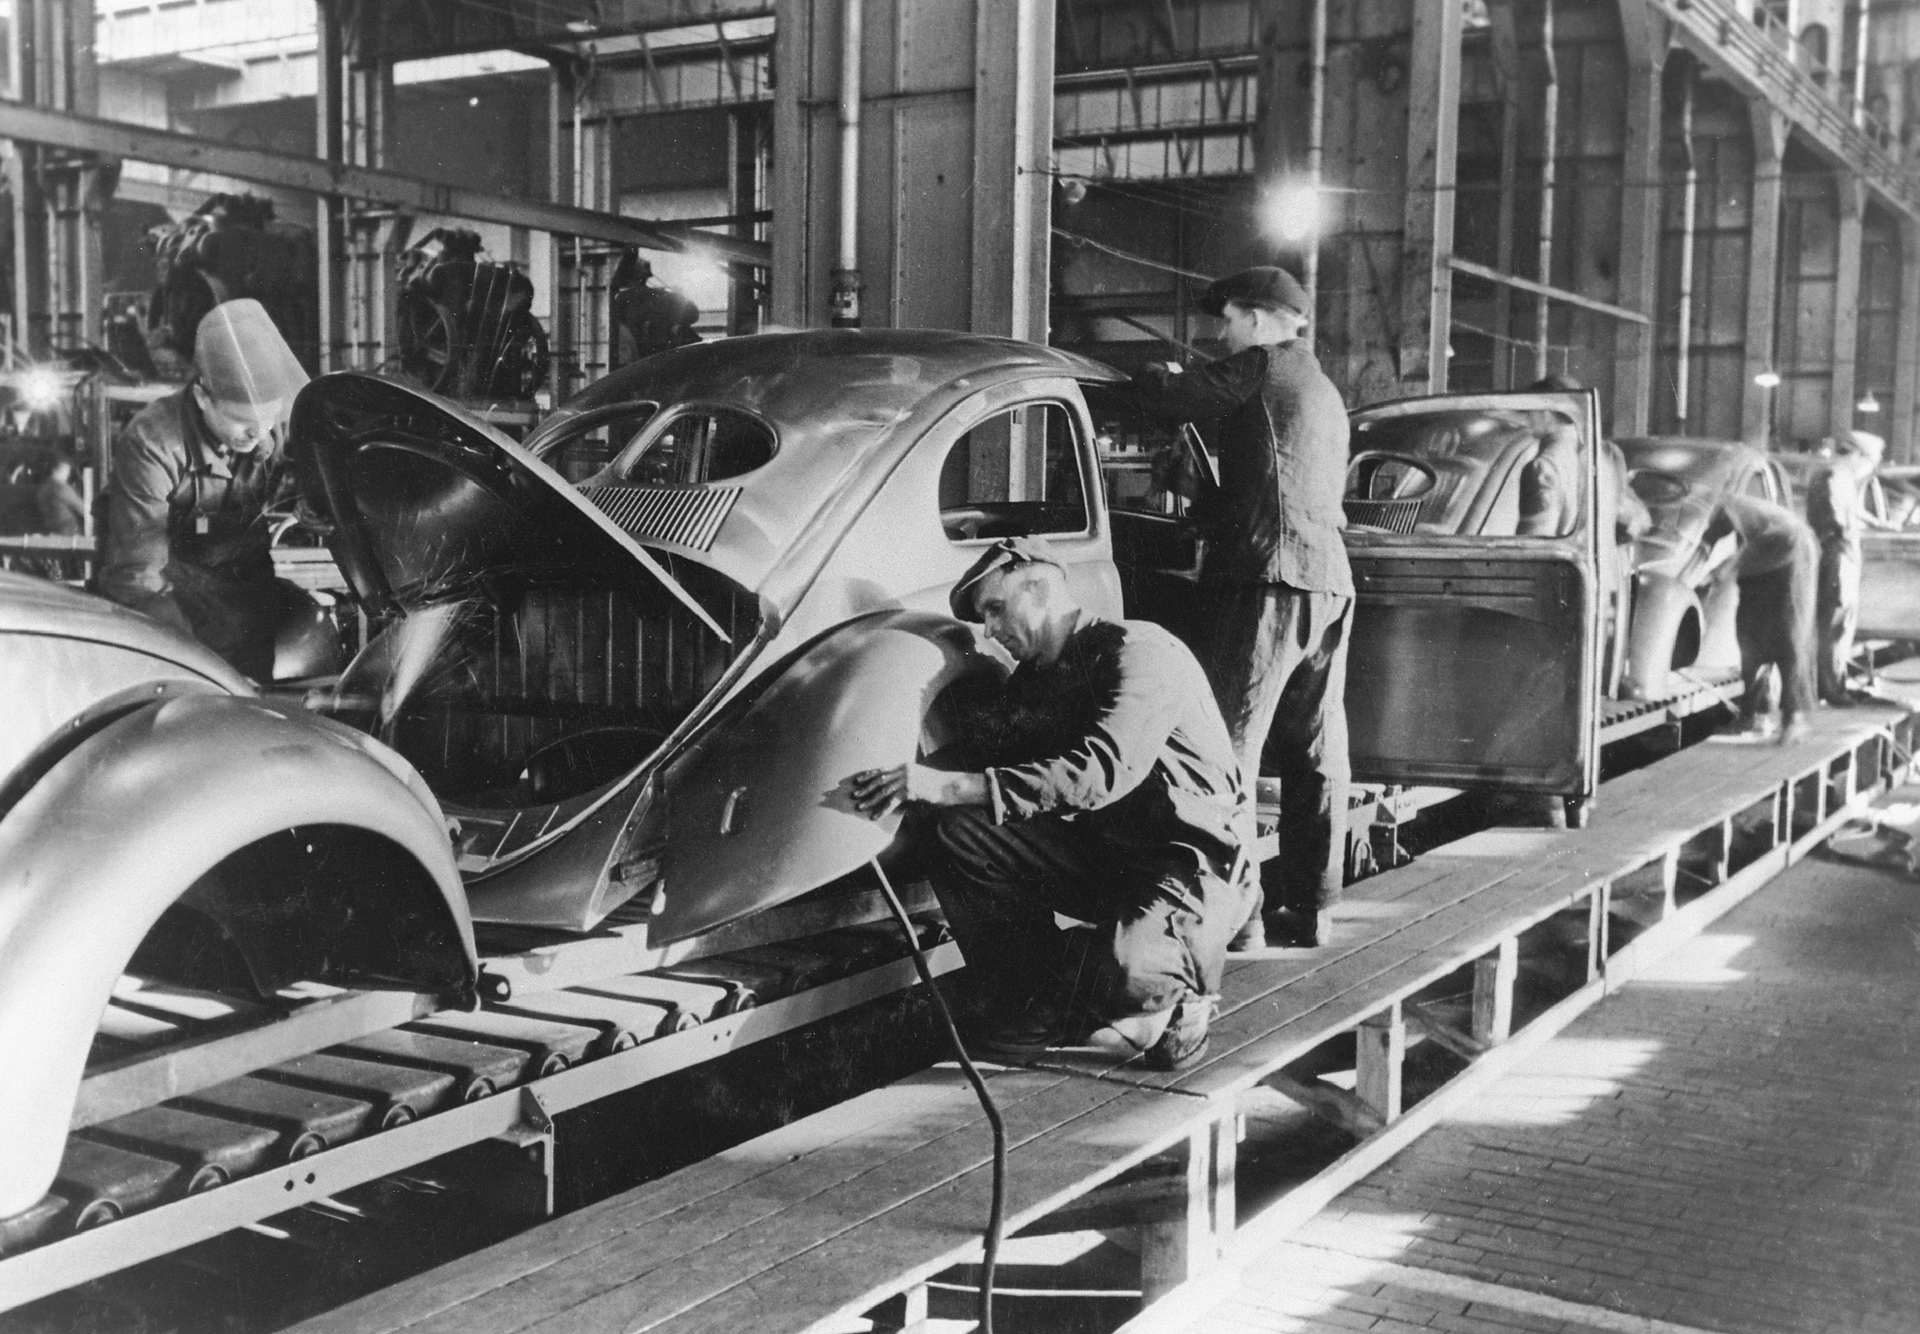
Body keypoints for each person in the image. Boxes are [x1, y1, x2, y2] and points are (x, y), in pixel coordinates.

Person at [848, 537, 1256, 1070]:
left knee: (1126, 970)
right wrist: (887, 779)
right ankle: (1029, 1007)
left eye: (996, 608)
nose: (989, 630)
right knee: (961, 832)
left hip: (1193, 866)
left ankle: (1181, 1000)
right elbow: (980, 756)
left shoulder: (1141, 651)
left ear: (1039, 587)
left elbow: (1100, 772)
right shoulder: (1038, 680)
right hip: (1113, 860)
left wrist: (945, 787)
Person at [1130, 265, 1352, 950]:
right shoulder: (1322, 390)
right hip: (1328, 583)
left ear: (1255, 318)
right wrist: (1204, 495)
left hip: (1268, 582)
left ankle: (1240, 919)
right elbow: (1275, 484)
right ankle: (1311, 909)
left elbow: (1168, 398)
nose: (1221, 335)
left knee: (1225, 747)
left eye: (1226, 321)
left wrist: (1157, 372)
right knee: (1315, 752)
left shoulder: (1260, 366)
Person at [98, 298, 309, 679]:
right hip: (169, 610)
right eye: (242, 420)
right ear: (202, 398)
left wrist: (319, 505)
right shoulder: (153, 442)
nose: (258, 434)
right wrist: (193, 664)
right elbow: (138, 577)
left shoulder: (269, 428)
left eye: (267, 418)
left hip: (245, 606)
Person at [1706, 494, 1818, 744]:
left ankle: (1790, 718)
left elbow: (1770, 539)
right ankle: (1750, 713)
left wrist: (1728, 565)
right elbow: (1711, 540)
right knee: (1752, 644)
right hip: (1767, 572)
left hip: (1787, 563)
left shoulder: (1733, 508)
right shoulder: (1736, 510)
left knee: (1785, 644)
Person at [1807, 430, 1887, 705]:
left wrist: (1877, 523)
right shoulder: (1835, 476)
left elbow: (1850, 509)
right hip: (1839, 557)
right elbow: (1839, 518)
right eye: (1870, 462)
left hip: (1837, 555)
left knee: (1834, 624)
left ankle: (1832, 684)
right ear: (1858, 455)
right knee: (1836, 625)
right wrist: (1854, 529)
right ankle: (1832, 690)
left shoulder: (1835, 475)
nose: (1868, 469)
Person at [33, 457, 85, 535]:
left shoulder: (44, 487)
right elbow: (82, 508)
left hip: (48, 528)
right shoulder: (62, 488)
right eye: (66, 471)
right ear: (56, 470)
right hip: (67, 530)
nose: (68, 475)